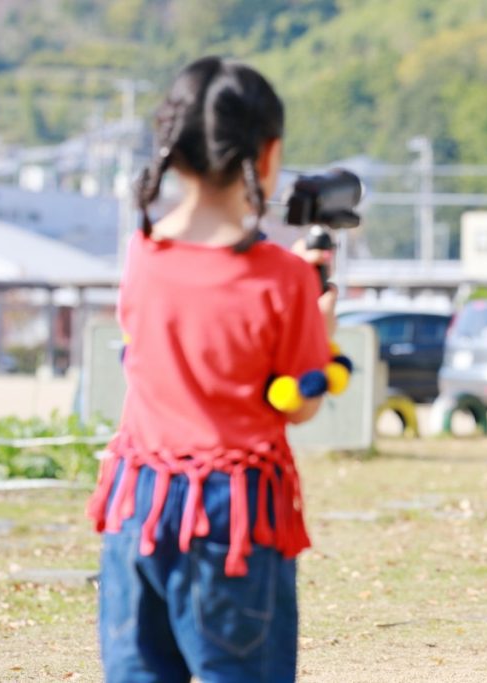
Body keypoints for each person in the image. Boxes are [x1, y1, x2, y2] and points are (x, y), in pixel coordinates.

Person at [86, 56, 348, 682]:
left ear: (173, 152)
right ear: (268, 154)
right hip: (234, 514)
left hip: (140, 503)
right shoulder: (285, 278)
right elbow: (301, 402)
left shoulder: (142, 255)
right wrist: (323, 330)